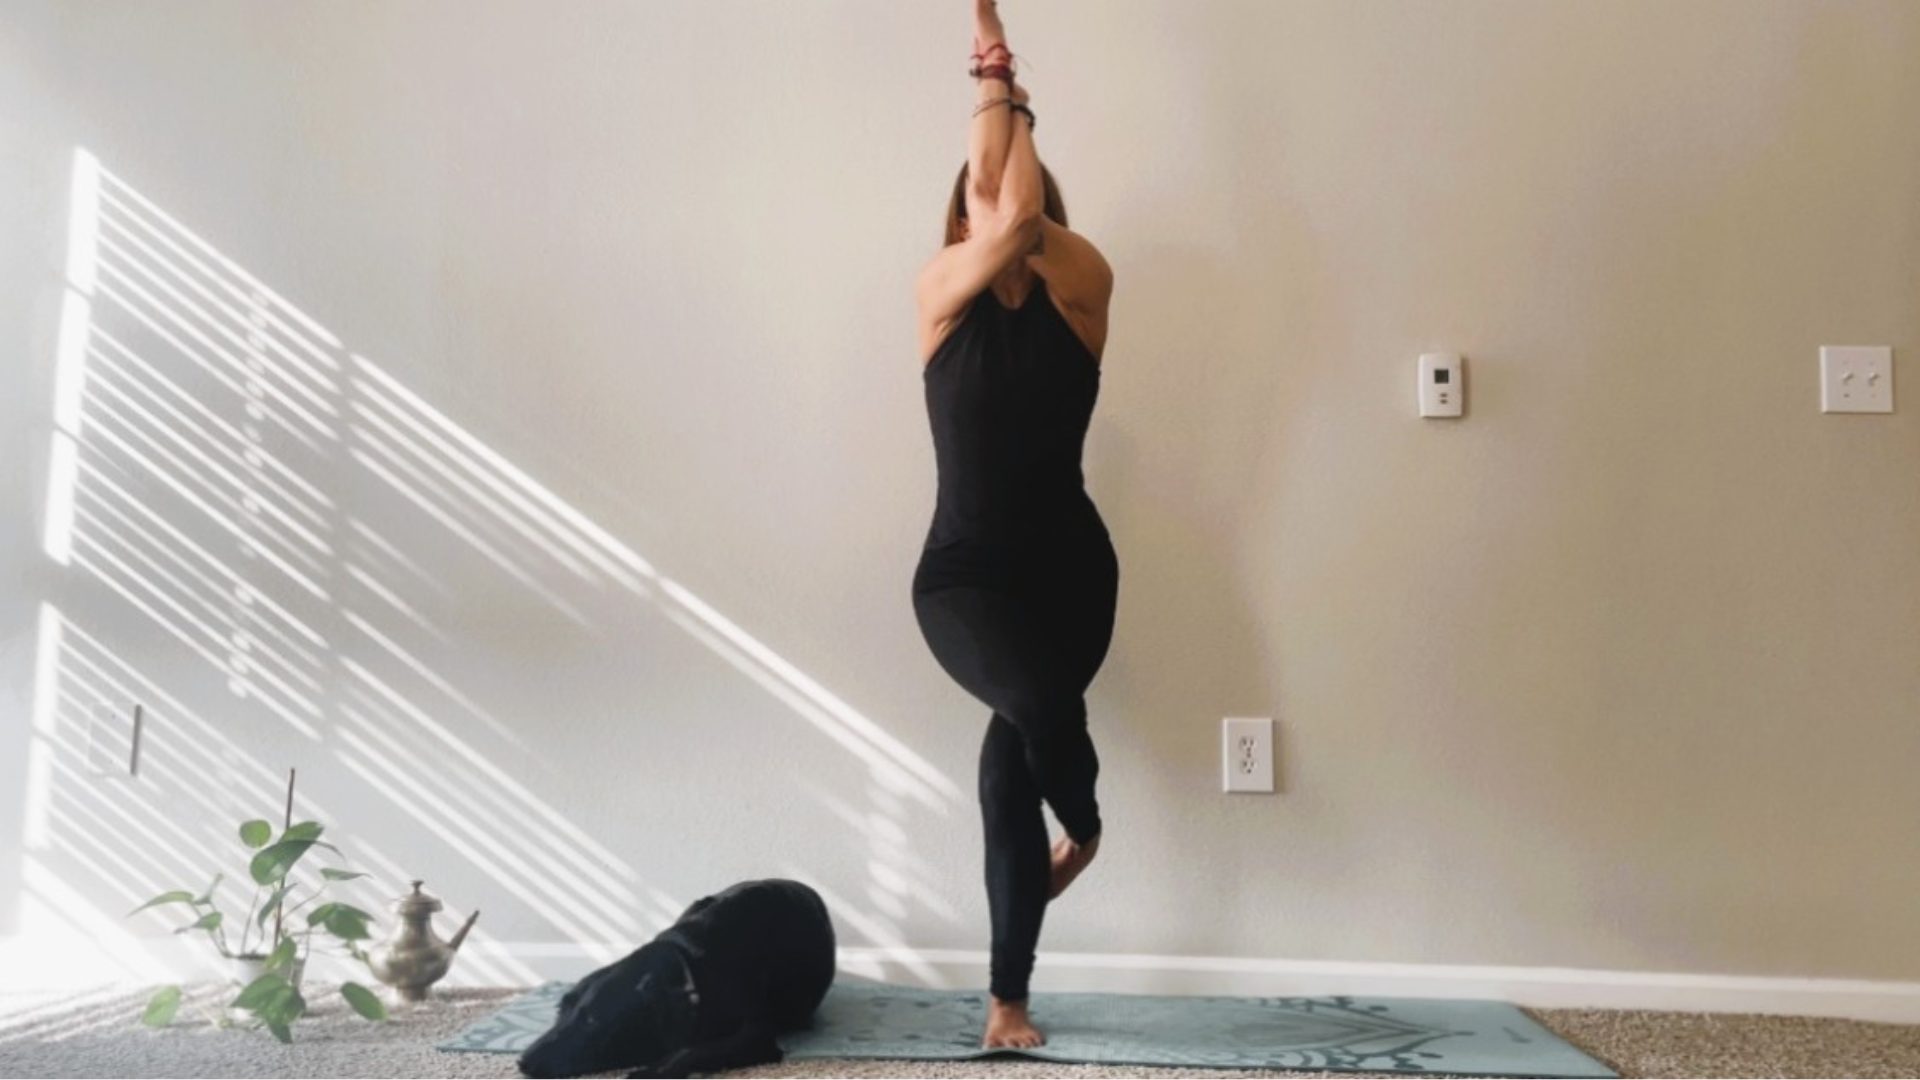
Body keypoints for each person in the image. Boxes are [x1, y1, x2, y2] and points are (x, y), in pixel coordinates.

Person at [910, 0, 1117, 1051]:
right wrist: (996, 71)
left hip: (1072, 579)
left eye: (996, 196)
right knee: (1034, 704)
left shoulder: (1085, 287)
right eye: (973, 207)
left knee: (1005, 772)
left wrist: (1001, 82)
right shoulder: (940, 294)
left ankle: (1007, 1005)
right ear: (959, 224)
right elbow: (1001, 218)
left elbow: (1023, 221)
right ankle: (1084, 830)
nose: (988, 213)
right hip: (962, 583)